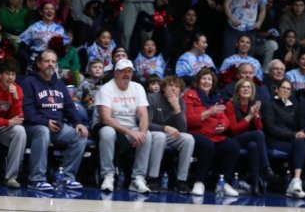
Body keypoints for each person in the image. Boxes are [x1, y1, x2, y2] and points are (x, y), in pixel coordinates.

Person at [22, 49, 88, 190]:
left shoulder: (59, 83)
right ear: (39, 64)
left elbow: (70, 107)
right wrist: (46, 122)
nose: (50, 64)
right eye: (47, 61)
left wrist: (79, 123)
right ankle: (36, 179)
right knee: (43, 131)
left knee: (79, 135)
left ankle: (66, 177)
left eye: (53, 61)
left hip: (57, 127)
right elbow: (27, 112)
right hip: (33, 127)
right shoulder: (29, 82)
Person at [94, 59, 154, 194]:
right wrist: (132, 133)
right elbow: (106, 118)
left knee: (148, 135)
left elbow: (144, 116)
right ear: (115, 73)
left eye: (129, 71)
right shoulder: (106, 89)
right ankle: (108, 175)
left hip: (131, 127)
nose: (126, 74)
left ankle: (137, 178)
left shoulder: (138, 88)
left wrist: (141, 133)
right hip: (111, 126)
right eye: (122, 71)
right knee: (107, 133)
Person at [183, 68, 241, 197]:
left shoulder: (217, 97)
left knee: (233, 146)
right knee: (207, 145)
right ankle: (199, 182)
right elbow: (188, 120)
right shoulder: (190, 95)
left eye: (209, 79)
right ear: (198, 81)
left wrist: (223, 126)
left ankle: (223, 183)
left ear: (213, 82)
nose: (206, 81)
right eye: (203, 78)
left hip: (215, 135)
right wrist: (209, 112)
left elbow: (225, 117)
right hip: (195, 133)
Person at [224, 77, 276, 197]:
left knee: (253, 146)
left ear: (252, 91)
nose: (246, 89)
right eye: (243, 87)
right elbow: (234, 130)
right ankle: (266, 168)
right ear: (238, 90)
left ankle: (255, 185)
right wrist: (250, 116)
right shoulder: (230, 105)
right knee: (258, 136)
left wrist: (256, 116)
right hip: (234, 140)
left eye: (249, 87)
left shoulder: (253, 104)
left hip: (250, 139)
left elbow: (259, 128)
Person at [146, 75, 195, 194]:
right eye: (170, 86)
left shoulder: (181, 101)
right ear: (163, 88)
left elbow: (182, 129)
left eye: (177, 87)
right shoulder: (152, 98)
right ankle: (153, 178)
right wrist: (164, 128)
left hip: (169, 135)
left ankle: (181, 180)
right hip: (152, 133)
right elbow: (146, 123)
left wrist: (177, 109)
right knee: (160, 136)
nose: (174, 89)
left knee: (189, 139)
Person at [0, 59, 26, 187]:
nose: (10, 78)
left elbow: (18, 118)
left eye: (13, 74)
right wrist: (7, 122)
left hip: (2, 126)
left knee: (20, 131)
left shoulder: (18, 90)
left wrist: (16, 99)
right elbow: (10, 120)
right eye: (7, 74)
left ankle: (11, 177)